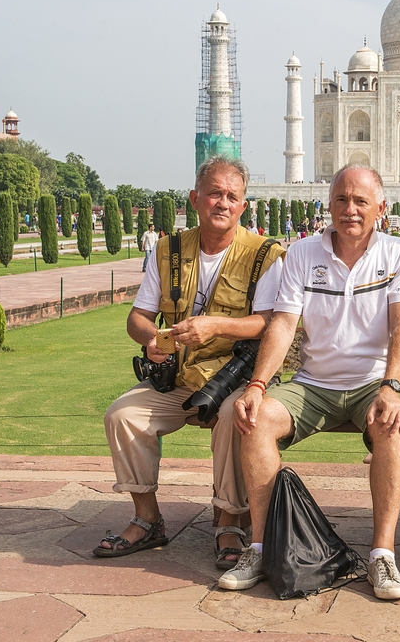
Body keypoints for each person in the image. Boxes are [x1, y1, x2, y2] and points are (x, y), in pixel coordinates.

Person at [222, 164, 400, 601]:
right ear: (327, 205)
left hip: (372, 381)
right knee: (256, 420)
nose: (350, 210)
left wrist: (392, 386)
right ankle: (261, 547)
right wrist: (257, 385)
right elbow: (283, 325)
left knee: (390, 423)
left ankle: (382, 553)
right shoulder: (303, 253)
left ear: (381, 208)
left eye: (361, 201)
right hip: (314, 383)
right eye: (341, 200)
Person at [96, 156, 285, 572]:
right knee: (123, 414)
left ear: (243, 206)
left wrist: (216, 326)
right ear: (195, 198)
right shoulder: (169, 249)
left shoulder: (264, 254)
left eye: (232, 196)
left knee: (239, 416)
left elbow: (270, 322)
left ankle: (230, 521)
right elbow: (138, 317)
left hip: (232, 375)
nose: (222, 202)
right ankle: (147, 519)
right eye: (214, 193)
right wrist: (150, 340)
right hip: (180, 376)